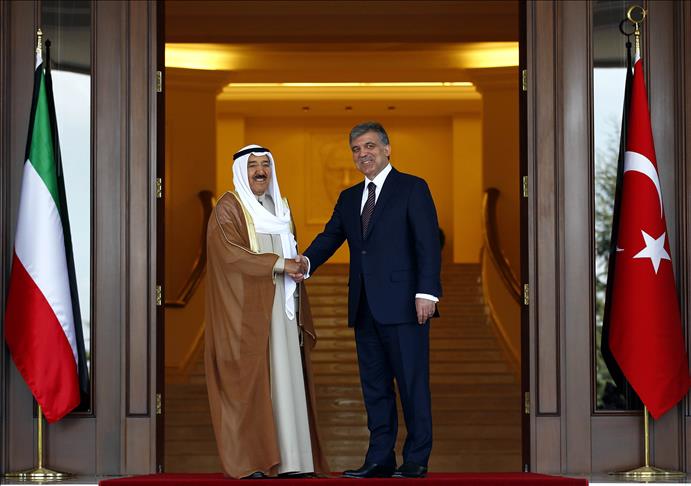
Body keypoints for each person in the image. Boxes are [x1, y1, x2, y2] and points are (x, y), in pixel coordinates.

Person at [300, 122, 442, 478]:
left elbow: (427, 243)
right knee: (375, 388)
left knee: (411, 385)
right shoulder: (349, 198)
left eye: (369, 146)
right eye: (356, 149)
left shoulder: (412, 188)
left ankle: (416, 457)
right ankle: (380, 457)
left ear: (387, 149)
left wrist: (427, 293)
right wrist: (304, 263)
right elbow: (330, 237)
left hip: (406, 306)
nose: (363, 154)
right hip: (365, 306)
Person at [204, 144, 328, 479]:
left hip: (285, 311)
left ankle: (294, 461)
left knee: (288, 382)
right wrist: (279, 264)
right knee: (252, 384)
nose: (260, 172)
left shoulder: (280, 207)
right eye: (253, 166)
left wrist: (298, 266)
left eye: (265, 165)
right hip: (250, 313)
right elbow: (229, 253)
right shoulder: (229, 207)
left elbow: (293, 251)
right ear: (240, 171)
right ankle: (254, 461)